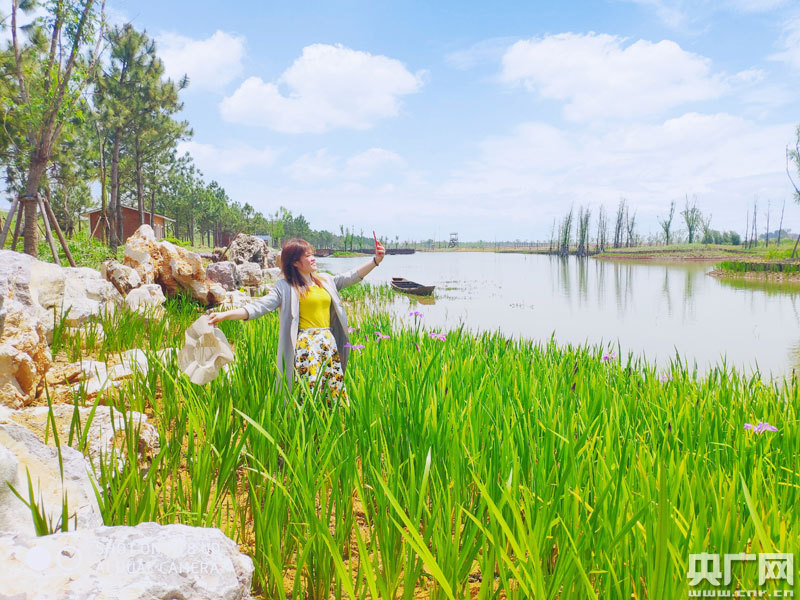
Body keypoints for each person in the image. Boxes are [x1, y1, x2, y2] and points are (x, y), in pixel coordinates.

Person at [208, 238, 385, 400]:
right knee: (308, 392)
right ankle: (305, 429)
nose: (313, 258)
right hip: (306, 346)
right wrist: (225, 315)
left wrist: (375, 261)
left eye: (312, 254)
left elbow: (352, 276)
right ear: (295, 262)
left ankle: (330, 426)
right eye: (308, 256)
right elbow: (258, 307)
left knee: (332, 389)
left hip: (328, 344)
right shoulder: (284, 287)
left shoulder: (324, 280)